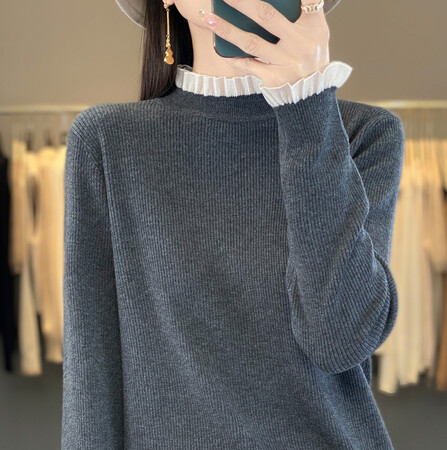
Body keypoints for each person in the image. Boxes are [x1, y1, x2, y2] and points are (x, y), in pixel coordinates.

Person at [61, 1, 405, 448]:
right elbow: (91, 375)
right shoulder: (108, 141)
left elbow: (339, 341)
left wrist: (308, 108)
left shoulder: (365, 133)